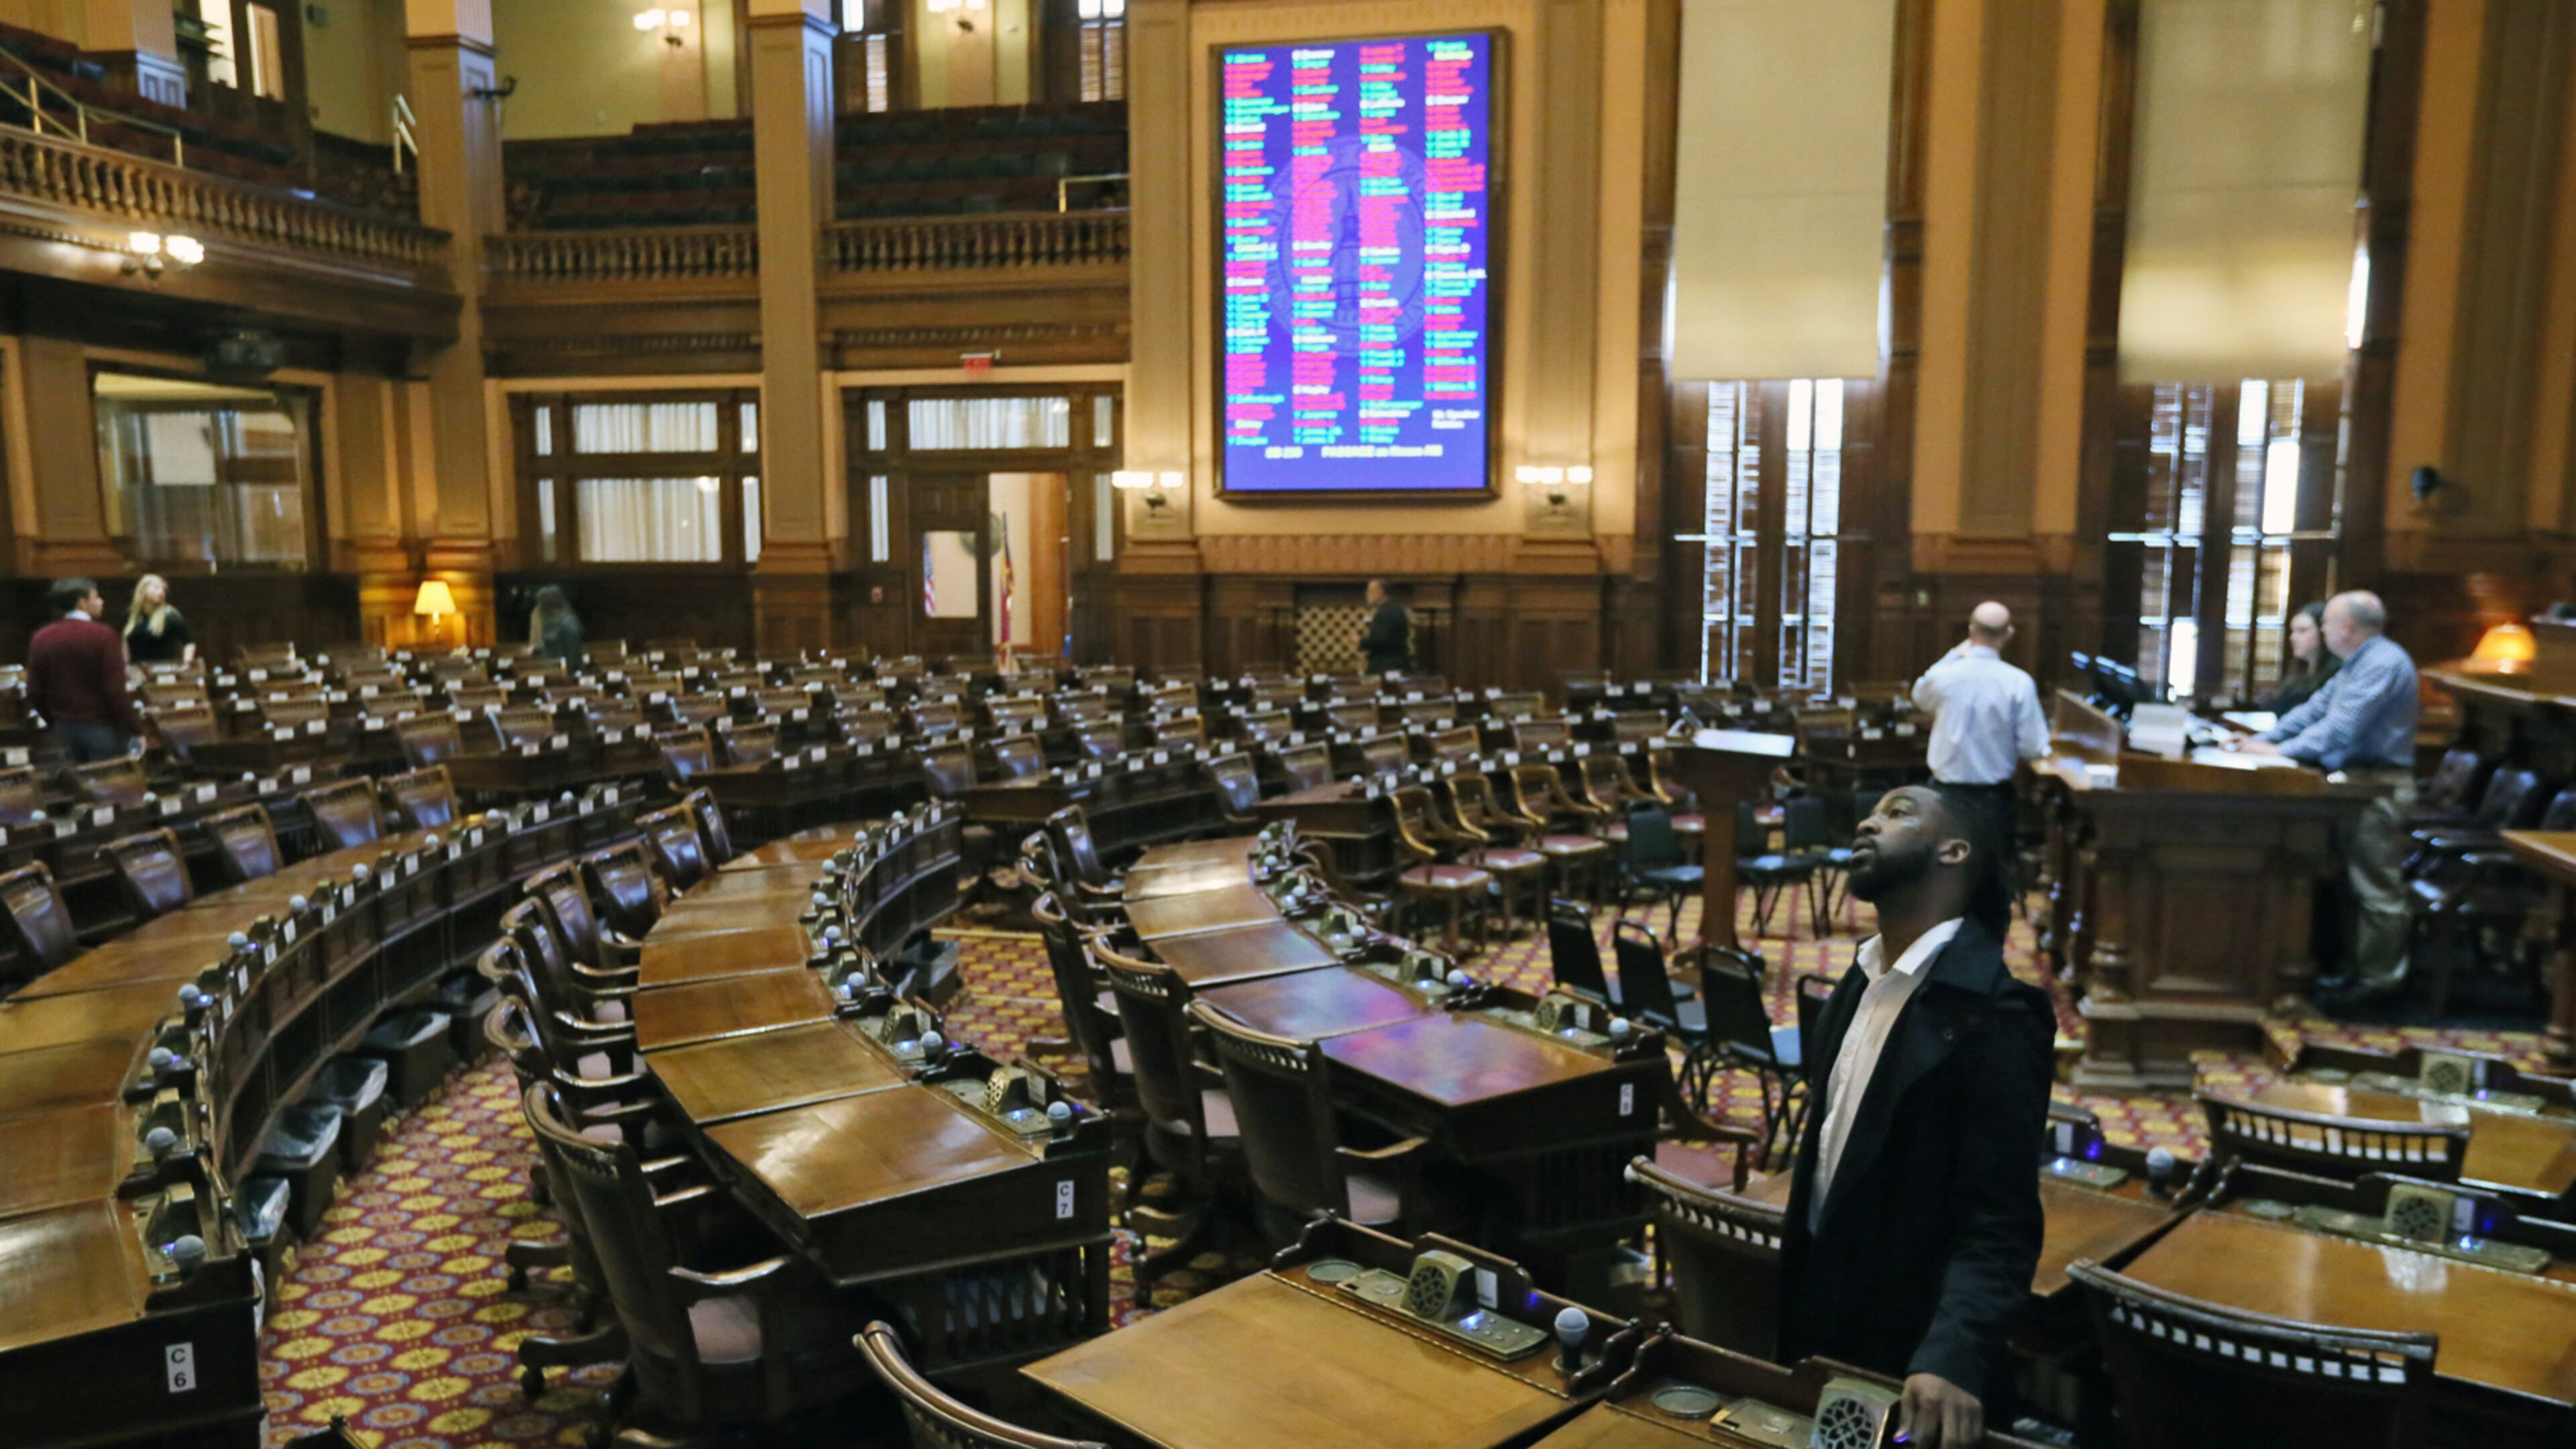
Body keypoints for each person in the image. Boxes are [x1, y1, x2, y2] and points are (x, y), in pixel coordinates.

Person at [1780, 784, 2053, 1448]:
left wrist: (1953, 1354)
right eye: (1871, 809)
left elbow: (2001, 1223)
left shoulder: (1997, 1017)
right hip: (1821, 1333)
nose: (1868, 820)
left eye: (1899, 813)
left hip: (1912, 1362)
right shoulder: (1858, 980)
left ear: (1954, 851)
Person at [2239, 590, 2418, 1002]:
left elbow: (2340, 730)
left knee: (2376, 888)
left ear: (2348, 628)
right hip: (2358, 784)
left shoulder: (2383, 663)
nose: (2322, 630)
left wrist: (2277, 752)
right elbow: (2314, 711)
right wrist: (2258, 740)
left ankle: (2382, 983)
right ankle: (2358, 972)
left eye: (2326, 624)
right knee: (2352, 887)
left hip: (2380, 786)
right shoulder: (2356, 664)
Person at [1911, 601, 2048, 838]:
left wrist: (1954, 654)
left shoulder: (1943, 676)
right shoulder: (2019, 682)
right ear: (2009, 634)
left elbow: (1919, 697)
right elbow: (2033, 747)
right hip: (1993, 800)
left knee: (1947, 869)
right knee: (1992, 870)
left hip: (1946, 797)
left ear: (1971, 630)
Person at [25, 577, 142, 763]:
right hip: (102, 731)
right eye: (96, 597)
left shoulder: (41, 638)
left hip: (62, 732)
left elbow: (33, 691)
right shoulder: (104, 636)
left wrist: (55, 721)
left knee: (73, 789)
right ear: (83, 603)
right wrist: (135, 729)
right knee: (109, 789)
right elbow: (115, 692)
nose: (101, 601)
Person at [2255, 600, 2337, 714]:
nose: (2293, 637)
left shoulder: (2335, 675)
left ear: (2323, 632)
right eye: (2293, 631)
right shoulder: (2297, 673)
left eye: (2302, 631)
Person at [121, 573, 195, 666]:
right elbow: (124, 644)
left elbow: (189, 643)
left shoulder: (170, 615)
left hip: (165, 670)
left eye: (163, 589)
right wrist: (125, 666)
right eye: (156, 588)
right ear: (143, 591)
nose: (161, 592)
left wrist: (187, 664)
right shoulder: (130, 615)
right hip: (138, 671)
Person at [1360, 578, 1410, 676]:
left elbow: (1379, 641)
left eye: (1370, 591)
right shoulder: (1396, 608)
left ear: (1381, 592)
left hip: (1385, 666)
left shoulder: (1385, 613)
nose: (1367, 594)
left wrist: (1360, 641)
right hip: (1398, 663)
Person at [529, 586, 583, 668]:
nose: (540, 608)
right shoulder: (552, 622)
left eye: (542, 604)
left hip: (564, 673)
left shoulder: (568, 624)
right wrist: (536, 651)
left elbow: (573, 656)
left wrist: (568, 676)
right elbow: (553, 649)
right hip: (552, 670)